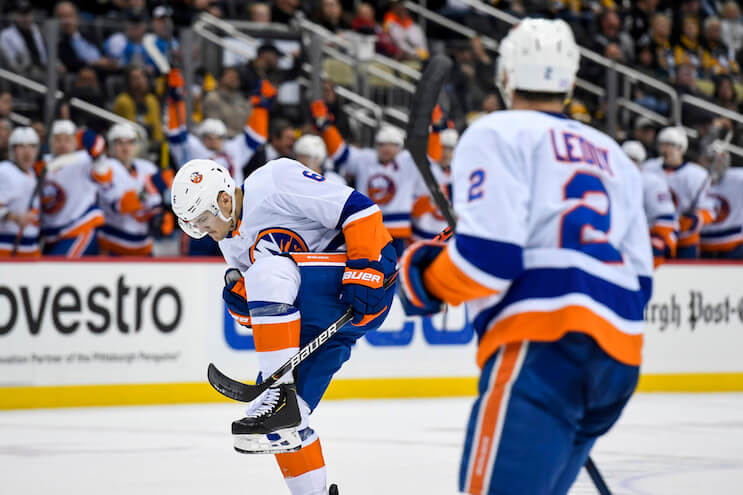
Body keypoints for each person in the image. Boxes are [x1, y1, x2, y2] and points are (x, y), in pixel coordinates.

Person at [398, 19, 653, 494]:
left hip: (543, 344)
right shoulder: (613, 154)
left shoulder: (495, 132)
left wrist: (423, 277)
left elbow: (488, 261)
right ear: (572, 81)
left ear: (506, 75)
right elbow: (642, 281)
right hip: (619, 358)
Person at [170, 157, 397, 495]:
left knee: (266, 273)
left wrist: (365, 266)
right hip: (327, 316)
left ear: (224, 199)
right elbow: (273, 307)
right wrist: (243, 306)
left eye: (204, 219)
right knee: (282, 424)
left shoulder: (273, 181)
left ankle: (280, 394)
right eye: (196, 225)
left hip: (363, 279)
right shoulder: (230, 243)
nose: (204, 230)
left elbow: (361, 210)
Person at [311, 100, 427, 257]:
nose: (386, 148)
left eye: (391, 144)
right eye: (382, 144)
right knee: (371, 264)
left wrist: (435, 130)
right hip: (369, 225)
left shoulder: (407, 162)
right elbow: (340, 153)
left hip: (398, 229)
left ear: (399, 147)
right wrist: (326, 127)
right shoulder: (365, 159)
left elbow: (432, 157)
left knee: (396, 269)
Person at [40, 120, 112, 257]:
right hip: (51, 236)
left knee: (55, 271)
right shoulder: (43, 163)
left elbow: (105, 178)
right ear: (51, 142)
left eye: (67, 139)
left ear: (75, 142)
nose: (62, 144)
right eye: (57, 139)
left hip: (79, 229)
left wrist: (96, 154)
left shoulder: (85, 160)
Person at [643, 127, 716, 259]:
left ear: (681, 148)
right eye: (662, 145)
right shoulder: (649, 168)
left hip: (685, 241)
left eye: (670, 145)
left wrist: (696, 219)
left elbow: (710, 210)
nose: (665, 149)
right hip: (656, 236)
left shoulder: (697, 175)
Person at [98, 123, 170, 256]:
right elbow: (119, 206)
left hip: (144, 246)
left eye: (130, 142)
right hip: (113, 245)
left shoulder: (147, 168)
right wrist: (148, 189)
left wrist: (159, 217)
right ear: (111, 146)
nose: (125, 148)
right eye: (119, 142)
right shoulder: (105, 169)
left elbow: (155, 204)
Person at [623, 140, 678, 266]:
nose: (629, 164)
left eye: (633, 160)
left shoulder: (651, 182)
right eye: (626, 159)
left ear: (641, 162)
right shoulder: (616, 180)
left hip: (651, 242)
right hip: (629, 242)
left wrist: (657, 242)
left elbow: (665, 218)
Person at [699, 131, 743, 258]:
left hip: (734, 247)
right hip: (704, 249)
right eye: (709, 160)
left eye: (717, 160)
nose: (713, 165)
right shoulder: (698, 180)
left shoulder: (737, 178)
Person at [0, 127, 41, 257]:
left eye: (32, 146)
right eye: (21, 147)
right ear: (13, 150)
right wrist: (15, 218)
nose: (27, 152)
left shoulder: (33, 172)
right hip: (6, 245)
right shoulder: (5, 172)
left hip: (30, 246)